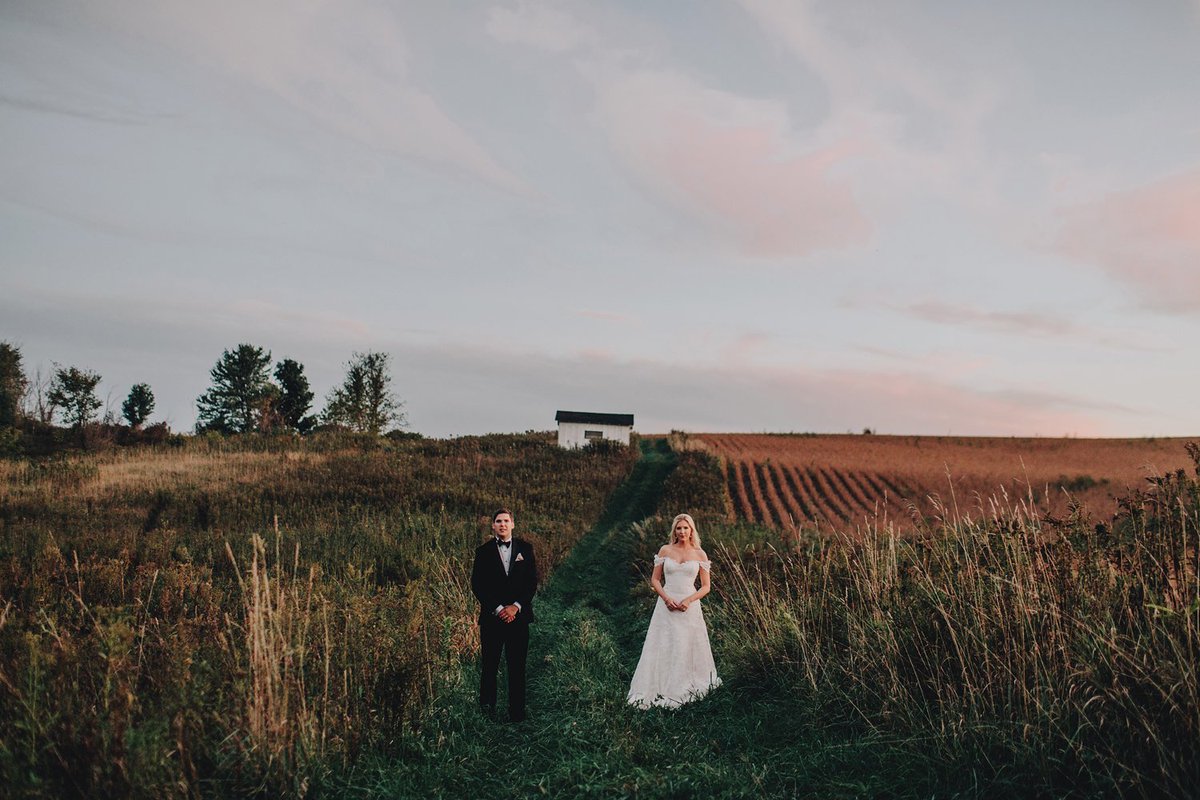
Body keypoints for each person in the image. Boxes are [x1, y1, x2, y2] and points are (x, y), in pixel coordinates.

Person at [627, 512, 721, 708]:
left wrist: (689, 600)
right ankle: (659, 685)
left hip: (689, 606)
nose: (682, 531)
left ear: (691, 530)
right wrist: (666, 598)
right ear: (674, 531)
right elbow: (655, 579)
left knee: (686, 643)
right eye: (679, 528)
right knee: (664, 643)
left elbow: (706, 586)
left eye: (686, 528)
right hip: (666, 604)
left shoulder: (700, 554)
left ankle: (686, 684)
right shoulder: (665, 550)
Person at [471, 507, 537, 722]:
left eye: (506, 521)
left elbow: (531, 583)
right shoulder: (483, 552)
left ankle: (517, 713)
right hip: (493, 618)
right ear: (493, 525)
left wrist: (516, 607)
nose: (502, 524)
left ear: (513, 524)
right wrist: (499, 608)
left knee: (517, 666)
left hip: (518, 618)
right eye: (498, 521)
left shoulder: (525, 550)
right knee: (490, 666)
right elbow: (477, 585)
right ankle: (487, 712)